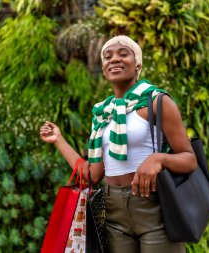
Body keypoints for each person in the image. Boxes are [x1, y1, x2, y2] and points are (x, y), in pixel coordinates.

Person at [40, 35, 197, 253]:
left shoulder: (157, 102)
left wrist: (158, 158)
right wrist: (58, 139)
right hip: (113, 212)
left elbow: (190, 160)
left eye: (123, 54)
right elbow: (93, 175)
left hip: (154, 206)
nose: (114, 59)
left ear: (138, 65)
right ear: (103, 68)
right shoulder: (103, 114)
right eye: (107, 56)